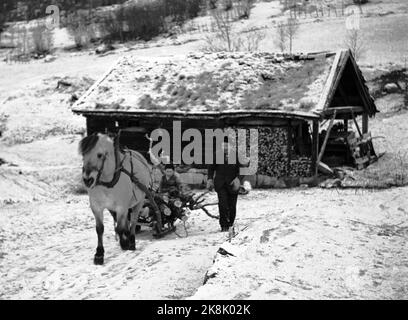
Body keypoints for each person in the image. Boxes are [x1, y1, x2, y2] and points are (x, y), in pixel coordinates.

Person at [207, 139, 245, 232]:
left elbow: (243, 169)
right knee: (223, 204)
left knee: (232, 205)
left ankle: (231, 223)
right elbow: (211, 168)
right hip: (220, 184)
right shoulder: (216, 154)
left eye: (227, 146)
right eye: (223, 145)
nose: (225, 147)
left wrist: (238, 179)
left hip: (233, 184)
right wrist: (210, 179)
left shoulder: (237, 155)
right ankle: (224, 225)